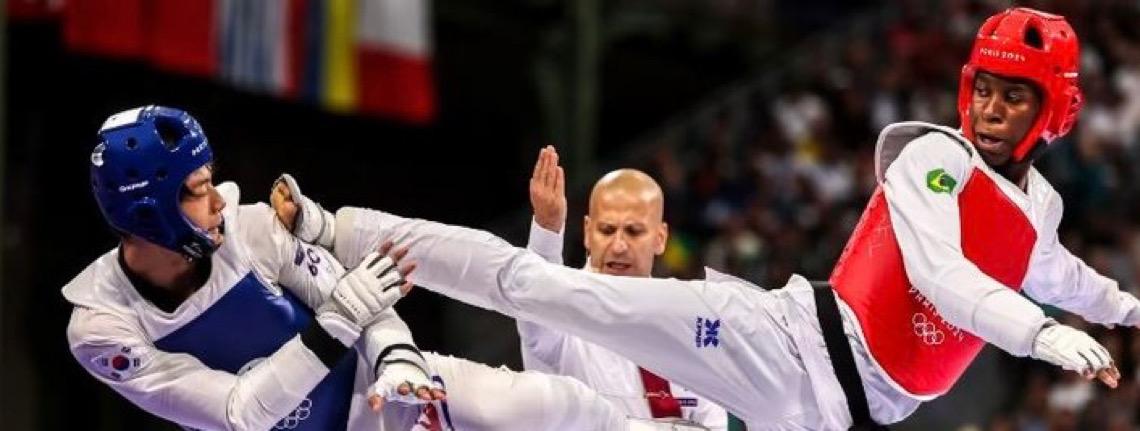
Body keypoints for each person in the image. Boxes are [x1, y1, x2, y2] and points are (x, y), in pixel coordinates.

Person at [278, 7, 1140, 429]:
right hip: (785, 343)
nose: (989, 108)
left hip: (825, 414)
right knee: (541, 290)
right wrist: (1037, 334)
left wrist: (1126, 309)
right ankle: (335, 229)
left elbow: (1056, 274)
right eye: (984, 88)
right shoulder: (932, 161)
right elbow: (947, 279)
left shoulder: (1040, 205)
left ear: (1055, 110)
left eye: (1013, 96)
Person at [65, 105, 696, 431]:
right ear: (147, 211)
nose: (217, 201)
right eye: (196, 190)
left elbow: (361, 300)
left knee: (552, 402)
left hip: (386, 388)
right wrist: (338, 322)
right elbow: (240, 415)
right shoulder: (103, 330)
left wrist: (398, 359)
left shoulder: (250, 227)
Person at [519, 147, 728, 429]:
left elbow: (713, 418)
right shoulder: (564, 310)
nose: (618, 246)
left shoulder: (689, 317)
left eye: (633, 231)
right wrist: (546, 229)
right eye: (607, 230)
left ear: (660, 237)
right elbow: (536, 298)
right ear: (588, 232)